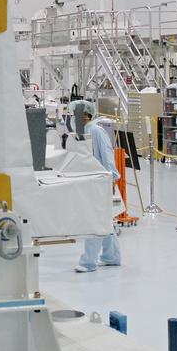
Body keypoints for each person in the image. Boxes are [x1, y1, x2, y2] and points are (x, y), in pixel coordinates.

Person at [75, 101, 123, 273]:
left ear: (85, 114)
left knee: (94, 220)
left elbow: (107, 154)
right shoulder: (85, 131)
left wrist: (111, 178)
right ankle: (111, 256)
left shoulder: (96, 130)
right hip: (92, 180)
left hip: (101, 181)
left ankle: (88, 262)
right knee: (104, 220)